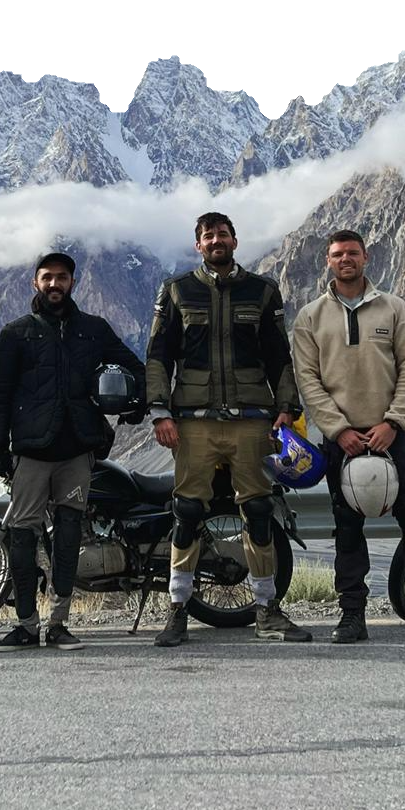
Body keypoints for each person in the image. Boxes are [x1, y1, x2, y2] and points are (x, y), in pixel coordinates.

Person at [289, 229, 405, 644]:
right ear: (328, 261)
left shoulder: (394, 309)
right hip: (342, 441)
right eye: (337, 254)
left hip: (395, 436)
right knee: (347, 529)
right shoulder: (310, 317)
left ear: (366, 257)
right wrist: (338, 431)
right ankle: (352, 616)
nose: (345, 259)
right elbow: (309, 380)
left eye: (352, 253)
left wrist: (393, 422)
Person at [144, 212, 310, 646]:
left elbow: (279, 354)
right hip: (193, 423)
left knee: (258, 512)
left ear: (235, 240)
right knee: (187, 513)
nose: (216, 240)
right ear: (197, 245)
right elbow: (158, 355)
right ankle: (177, 610)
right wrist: (160, 410)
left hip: (252, 421)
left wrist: (286, 406)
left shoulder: (263, 291)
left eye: (222, 233)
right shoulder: (177, 291)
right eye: (208, 235)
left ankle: (267, 611)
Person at [0, 252, 146, 651]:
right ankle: (25, 625)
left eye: (61, 278)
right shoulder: (15, 333)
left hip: (76, 451)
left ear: (73, 282)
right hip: (30, 452)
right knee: (22, 536)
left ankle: (58, 624)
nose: (54, 284)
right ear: (34, 282)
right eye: (46, 278)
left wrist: (136, 403)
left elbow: (134, 368)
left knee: (69, 534)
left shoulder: (93, 330)